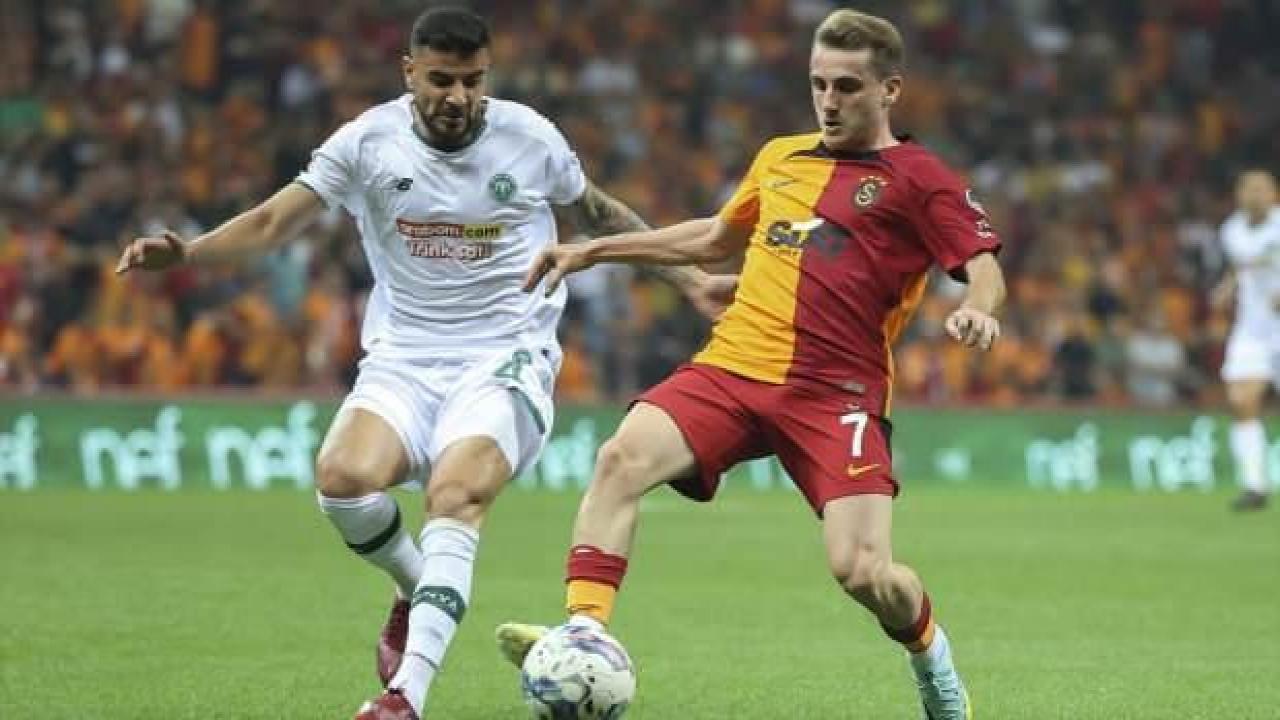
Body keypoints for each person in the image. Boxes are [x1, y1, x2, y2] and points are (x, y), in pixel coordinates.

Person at [115, 7, 731, 719]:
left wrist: (691, 282)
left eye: (473, 80)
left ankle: (404, 696)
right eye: (441, 80)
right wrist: (189, 254)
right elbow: (273, 221)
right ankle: (416, 587)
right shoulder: (366, 142)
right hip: (403, 359)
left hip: (506, 356)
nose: (458, 97)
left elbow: (599, 213)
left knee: (455, 493)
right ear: (410, 72)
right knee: (341, 483)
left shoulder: (530, 138)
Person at [496, 9, 1005, 720]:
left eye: (848, 87)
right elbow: (714, 237)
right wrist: (594, 250)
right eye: (819, 84)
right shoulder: (781, 158)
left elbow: (983, 265)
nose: (829, 101)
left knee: (863, 572)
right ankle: (583, 635)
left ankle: (932, 660)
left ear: (890, 90)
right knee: (621, 458)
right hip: (735, 367)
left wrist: (980, 307)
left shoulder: (921, 179)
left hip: (837, 393)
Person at [1213, 169, 1280, 511]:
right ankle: (1255, 485)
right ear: (1239, 194)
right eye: (1249, 189)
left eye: (1262, 189)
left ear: (1274, 194)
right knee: (1241, 399)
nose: (1256, 195)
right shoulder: (1231, 231)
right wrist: (1227, 287)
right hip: (1252, 327)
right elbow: (1240, 267)